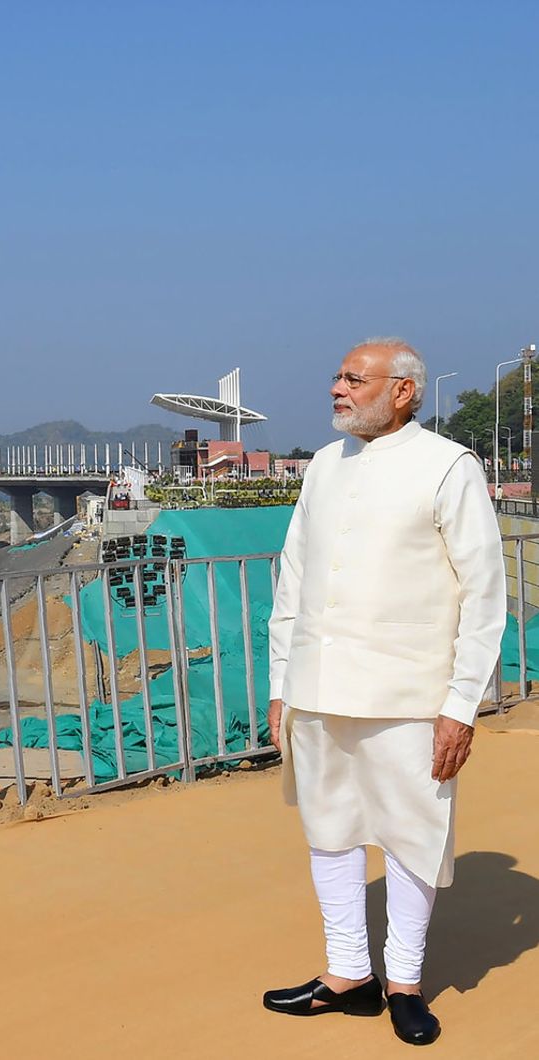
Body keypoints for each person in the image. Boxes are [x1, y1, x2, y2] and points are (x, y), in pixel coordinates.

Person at [262, 337, 506, 1046]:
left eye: (354, 378)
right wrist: (282, 684)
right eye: (337, 376)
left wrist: (461, 705)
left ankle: (403, 980)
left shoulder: (448, 466)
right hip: (319, 687)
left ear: (403, 391)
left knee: (410, 837)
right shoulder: (322, 468)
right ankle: (347, 975)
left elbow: (483, 595)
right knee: (329, 832)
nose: (338, 388)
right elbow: (294, 582)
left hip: (409, 693)